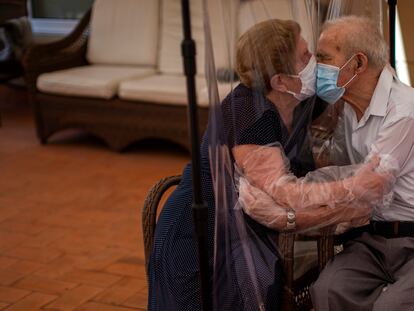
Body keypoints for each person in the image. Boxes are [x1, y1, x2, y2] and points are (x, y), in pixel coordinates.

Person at [148, 19, 322, 311]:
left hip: (235, 229)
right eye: (305, 56)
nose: (313, 60)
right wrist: (350, 192)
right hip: (200, 236)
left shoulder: (294, 103)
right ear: (280, 81)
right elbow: (282, 194)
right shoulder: (249, 114)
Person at [309, 16, 414, 311]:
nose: (317, 69)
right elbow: (331, 164)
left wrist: (297, 207)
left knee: (390, 307)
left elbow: (371, 184)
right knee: (327, 291)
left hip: (411, 236)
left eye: (324, 59)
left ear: (357, 64)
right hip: (373, 238)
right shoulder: (346, 108)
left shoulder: (405, 110)